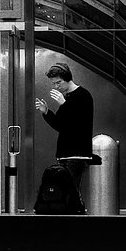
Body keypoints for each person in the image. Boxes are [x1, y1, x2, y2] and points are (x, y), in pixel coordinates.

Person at [33, 62, 95, 205]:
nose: (56, 87)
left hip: (77, 153)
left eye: (58, 82)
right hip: (64, 153)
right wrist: (46, 112)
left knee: (72, 192)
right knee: (64, 193)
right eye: (53, 84)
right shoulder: (66, 98)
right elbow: (60, 125)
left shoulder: (83, 95)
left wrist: (64, 104)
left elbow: (79, 123)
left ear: (67, 78)